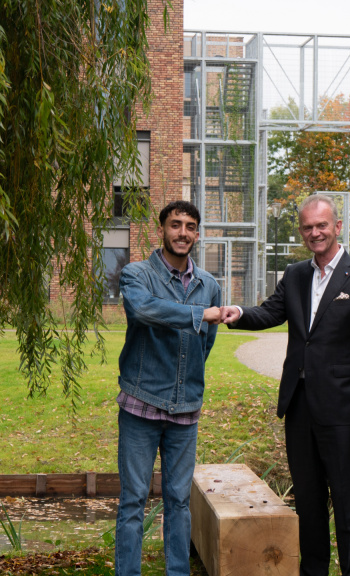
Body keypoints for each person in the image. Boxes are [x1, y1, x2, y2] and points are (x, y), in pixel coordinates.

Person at [220, 194, 350, 576]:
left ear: (337, 227)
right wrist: (238, 314)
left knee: (348, 504)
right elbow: (269, 312)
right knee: (308, 505)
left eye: (322, 225)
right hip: (299, 408)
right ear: (301, 231)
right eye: (308, 227)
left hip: (346, 410)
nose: (315, 233)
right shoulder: (295, 275)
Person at [114, 200, 221, 576]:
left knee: (178, 501)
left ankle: (178, 572)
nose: (183, 233)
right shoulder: (137, 274)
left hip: (185, 409)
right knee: (133, 501)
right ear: (162, 229)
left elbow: (204, 346)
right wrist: (197, 314)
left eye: (191, 226)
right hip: (140, 406)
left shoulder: (210, 285)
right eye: (176, 224)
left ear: (197, 233)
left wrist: (186, 379)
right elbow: (144, 311)